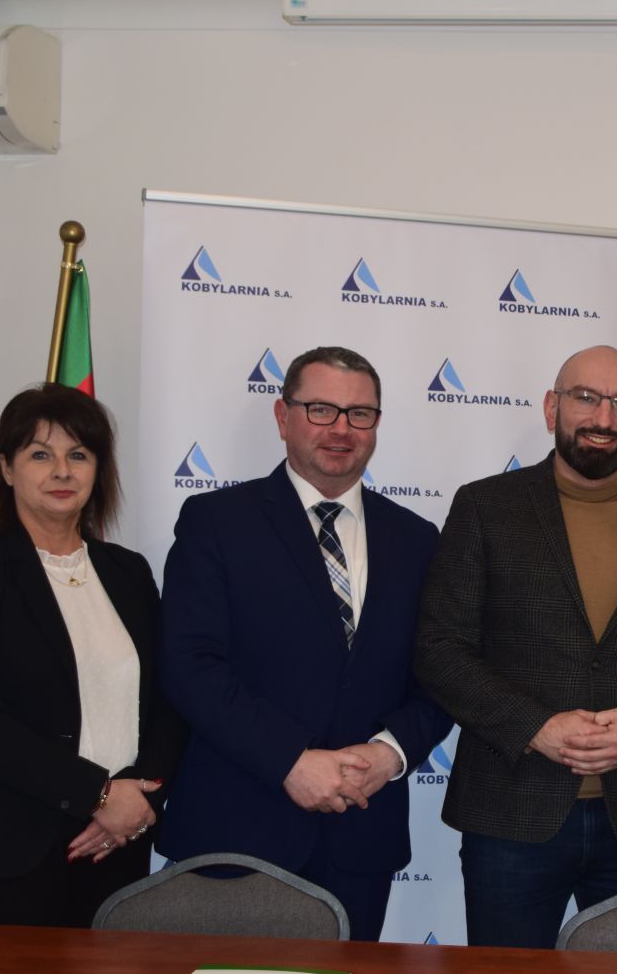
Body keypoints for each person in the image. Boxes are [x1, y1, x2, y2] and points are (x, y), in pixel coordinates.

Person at [414, 345, 617, 949]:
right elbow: (440, 647)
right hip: (511, 815)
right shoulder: (485, 507)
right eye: (586, 398)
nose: (603, 418)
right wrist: (535, 727)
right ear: (551, 407)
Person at [156, 346, 451, 941]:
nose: (341, 429)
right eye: (321, 409)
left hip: (361, 836)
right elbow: (190, 666)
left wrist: (389, 754)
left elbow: (442, 674)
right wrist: (289, 760)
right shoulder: (216, 521)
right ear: (282, 416)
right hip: (237, 832)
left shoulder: (417, 539)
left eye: (360, 414)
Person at [0, 384, 186, 927]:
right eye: (40, 455)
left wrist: (140, 800)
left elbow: (168, 700)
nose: (62, 471)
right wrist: (97, 794)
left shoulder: (128, 572)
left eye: (78, 455)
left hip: (117, 848)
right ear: (7, 468)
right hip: (3, 857)